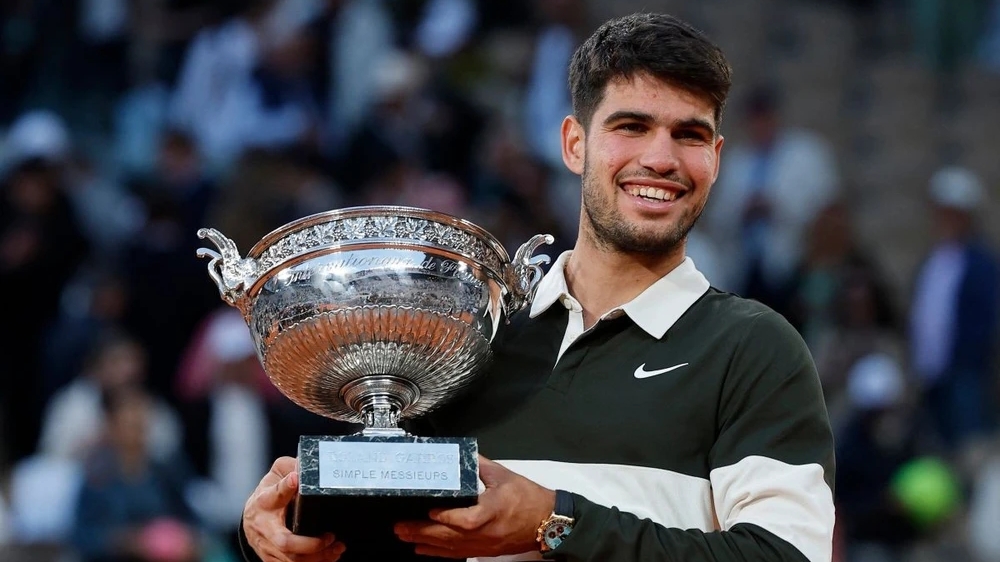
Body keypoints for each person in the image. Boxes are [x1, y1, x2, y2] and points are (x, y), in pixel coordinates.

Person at [237, 12, 836, 562]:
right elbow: (390, 542)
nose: (661, 158)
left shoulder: (753, 349)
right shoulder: (464, 344)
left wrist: (558, 523)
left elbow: (787, 557)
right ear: (574, 144)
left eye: (690, 135)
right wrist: (281, 532)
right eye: (632, 126)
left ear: (717, 157)